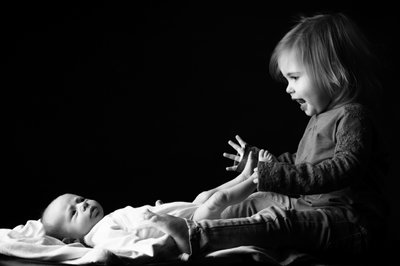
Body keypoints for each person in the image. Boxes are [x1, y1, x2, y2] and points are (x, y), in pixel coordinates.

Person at [139, 12, 389, 261]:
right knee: (257, 199)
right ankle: (200, 223)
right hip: (313, 209)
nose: (289, 88)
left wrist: (275, 175)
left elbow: (344, 168)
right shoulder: (319, 118)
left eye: (294, 78)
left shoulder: (353, 116)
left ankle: (196, 236)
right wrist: (260, 164)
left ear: (332, 71)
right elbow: (302, 161)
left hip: (350, 223)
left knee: (279, 221)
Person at [40, 150, 272, 258]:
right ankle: (257, 178)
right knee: (216, 201)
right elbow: (134, 247)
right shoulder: (100, 237)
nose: (83, 205)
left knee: (203, 196)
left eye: (80, 200)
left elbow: (137, 222)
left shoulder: (106, 221)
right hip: (187, 226)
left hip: (182, 213)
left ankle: (243, 178)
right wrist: (163, 242)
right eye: (74, 212)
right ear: (71, 239)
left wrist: (158, 208)